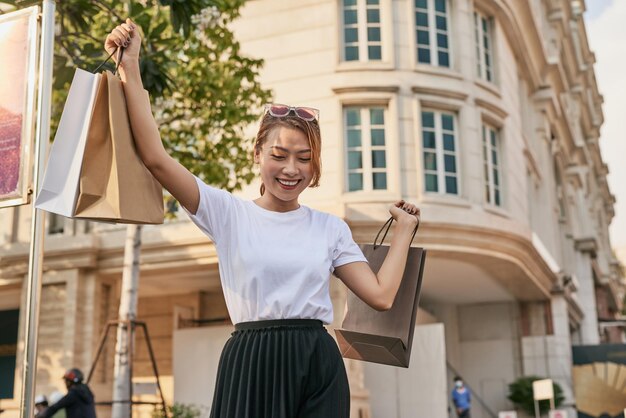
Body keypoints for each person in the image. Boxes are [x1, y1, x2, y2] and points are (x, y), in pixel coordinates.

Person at [105, 18, 421, 418]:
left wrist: (404, 232)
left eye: (304, 159)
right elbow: (155, 157)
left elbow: (380, 296)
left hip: (318, 362)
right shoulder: (227, 213)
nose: (292, 169)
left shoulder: (329, 228)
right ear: (257, 154)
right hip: (251, 359)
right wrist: (129, 66)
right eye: (279, 155)